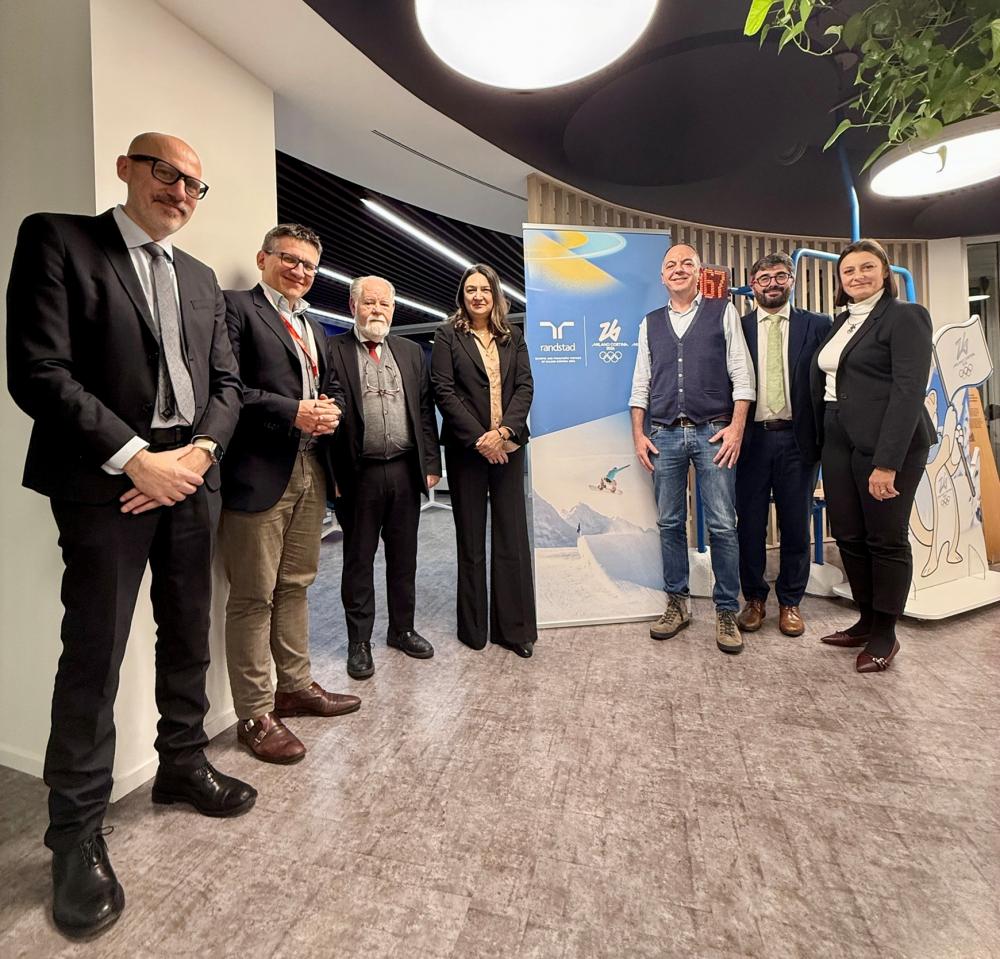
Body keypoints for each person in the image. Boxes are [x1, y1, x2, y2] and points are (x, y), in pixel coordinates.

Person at [5, 133, 256, 939]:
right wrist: (136, 458)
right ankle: (74, 833)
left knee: (187, 632)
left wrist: (197, 455)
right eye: (165, 172)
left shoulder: (200, 277)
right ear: (126, 168)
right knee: (95, 651)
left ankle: (181, 761)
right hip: (104, 483)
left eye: (194, 184)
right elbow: (38, 370)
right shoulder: (59, 239)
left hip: (191, 475)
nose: (180, 191)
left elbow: (227, 383)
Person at [219, 224, 360, 765]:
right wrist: (293, 411)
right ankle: (255, 713)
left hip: (310, 468)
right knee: (253, 596)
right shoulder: (238, 309)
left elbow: (333, 387)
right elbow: (226, 388)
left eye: (309, 265)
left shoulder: (313, 325)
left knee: (296, 586)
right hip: (258, 472)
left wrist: (330, 410)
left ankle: (295, 687)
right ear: (263, 259)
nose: (300, 271)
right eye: (290, 259)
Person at [810, 238, 935, 672]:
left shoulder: (905, 317)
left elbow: (908, 391)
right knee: (848, 533)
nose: (857, 276)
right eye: (848, 270)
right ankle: (865, 620)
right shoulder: (841, 321)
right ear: (840, 279)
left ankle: (885, 633)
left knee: (885, 537)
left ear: (885, 272)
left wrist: (887, 462)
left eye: (867, 267)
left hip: (887, 440)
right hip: (838, 436)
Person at [630, 243, 756, 654]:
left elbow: (742, 374)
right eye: (671, 264)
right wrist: (638, 433)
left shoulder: (723, 311)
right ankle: (677, 604)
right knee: (669, 523)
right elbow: (641, 382)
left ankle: (726, 610)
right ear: (662, 276)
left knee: (722, 525)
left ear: (699, 273)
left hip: (714, 433)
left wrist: (736, 428)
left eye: (687, 263)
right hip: (664, 434)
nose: (679, 269)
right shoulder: (650, 323)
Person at [328, 276, 441, 679]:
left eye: (384, 304)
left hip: (405, 470)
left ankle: (402, 629)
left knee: (404, 557)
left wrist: (431, 463)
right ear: (353, 306)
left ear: (393, 310)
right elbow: (326, 416)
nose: (377, 310)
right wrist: (331, 475)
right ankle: (359, 642)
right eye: (369, 302)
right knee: (358, 560)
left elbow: (424, 411)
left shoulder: (409, 352)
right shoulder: (332, 350)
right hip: (357, 474)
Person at [431, 264, 537, 658]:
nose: (478, 296)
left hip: (508, 447)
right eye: (470, 289)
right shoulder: (447, 335)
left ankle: (514, 630)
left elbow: (524, 386)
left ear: (495, 295)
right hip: (467, 451)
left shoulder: (513, 336)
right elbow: (443, 390)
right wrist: (482, 438)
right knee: (471, 539)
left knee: (512, 536)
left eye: (485, 290)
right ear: (462, 296)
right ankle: (473, 629)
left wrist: (504, 433)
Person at [735, 253, 832, 637]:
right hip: (750, 441)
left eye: (780, 276)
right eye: (764, 278)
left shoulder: (818, 325)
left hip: (798, 440)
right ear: (753, 285)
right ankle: (754, 599)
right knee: (749, 526)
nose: (772, 283)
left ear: (791, 279)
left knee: (795, 525)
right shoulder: (738, 328)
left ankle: (790, 601)